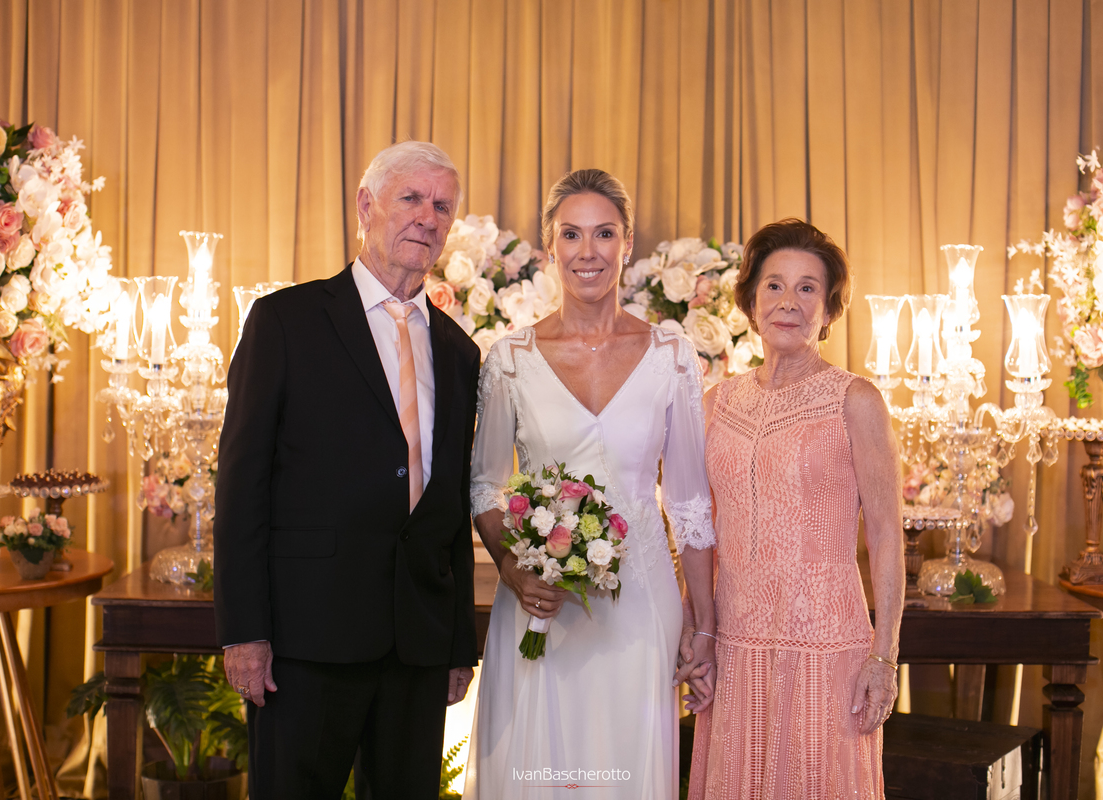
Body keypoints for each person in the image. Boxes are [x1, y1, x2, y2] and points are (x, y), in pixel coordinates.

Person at [213, 141, 481, 799]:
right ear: (366, 206)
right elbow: (241, 488)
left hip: (415, 647)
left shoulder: (458, 351)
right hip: (305, 641)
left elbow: (449, 504)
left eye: (442, 206)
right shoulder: (285, 321)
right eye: (410, 198)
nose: (427, 217)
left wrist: (456, 645)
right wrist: (244, 633)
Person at [462, 169, 717, 800]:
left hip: (641, 604)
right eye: (571, 234)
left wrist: (704, 623)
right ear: (550, 248)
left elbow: (689, 505)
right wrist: (514, 571)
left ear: (627, 244)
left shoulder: (672, 356)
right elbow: (484, 486)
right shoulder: (510, 360)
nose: (588, 251)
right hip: (540, 603)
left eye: (604, 233)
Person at [687, 219, 905, 799]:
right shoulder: (716, 404)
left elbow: (887, 535)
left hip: (826, 648)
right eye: (775, 285)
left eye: (808, 288)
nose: (789, 301)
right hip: (735, 645)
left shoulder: (855, 401)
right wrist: (697, 631)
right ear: (751, 301)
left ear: (828, 309)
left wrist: (885, 657)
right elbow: (699, 531)